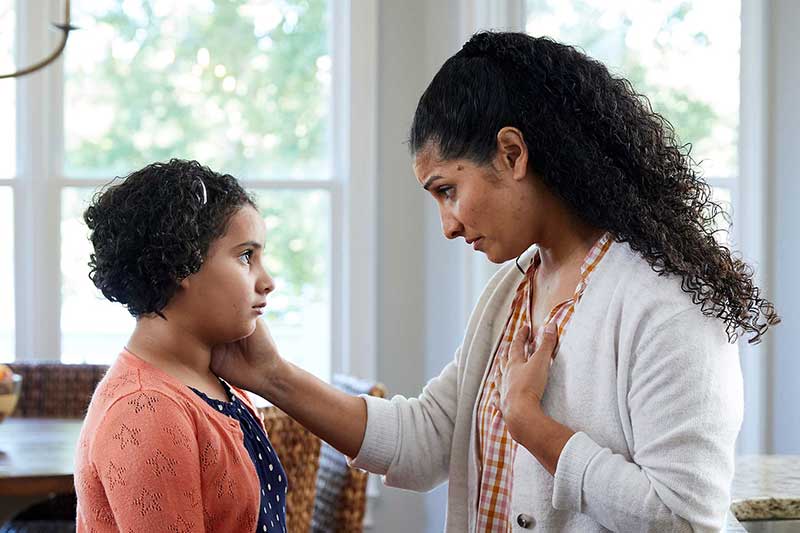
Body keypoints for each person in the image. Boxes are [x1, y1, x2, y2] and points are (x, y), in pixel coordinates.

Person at [211, 32, 780, 532]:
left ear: (512, 154)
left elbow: (685, 518)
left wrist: (533, 426)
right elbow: (427, 441)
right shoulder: (513, 289)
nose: (448, 225)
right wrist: (271, 376)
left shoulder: (665, 303)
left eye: (447, 190)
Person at [74, 159, 288, 532]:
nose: (267, 280)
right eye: (245, 256)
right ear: (181, 263)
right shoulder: (146, 411)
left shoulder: (223, 386)